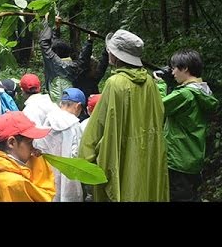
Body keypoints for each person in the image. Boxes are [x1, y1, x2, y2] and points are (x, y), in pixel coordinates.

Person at [79, 29, 169, 202]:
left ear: (116, 56)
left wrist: (86, 160)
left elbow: (98, 125)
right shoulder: (150, 82)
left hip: (121, 156)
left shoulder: (115, 83)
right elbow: (159, 116)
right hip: (148, 156)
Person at [153, 49, 219, 201]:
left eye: (175, 68)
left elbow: (157, 108)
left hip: (177, 160)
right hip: (193, 159)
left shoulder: (185, 94)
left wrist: (161, 85)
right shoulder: (204, 92)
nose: (173, 72)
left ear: (185, 68)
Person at [34, 88, 85, 202]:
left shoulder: (47, 120)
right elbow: (77, 153)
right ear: (78, 106)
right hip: (68, 177)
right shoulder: (74, 125)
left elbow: (38, 147)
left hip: (47, 175)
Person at [39, 18, 93, 103]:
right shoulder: (76, 66)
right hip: (72, 107)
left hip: (54, 108)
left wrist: (48, 21)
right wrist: (90, 41)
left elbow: (44, 44)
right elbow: (84, 59)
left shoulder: (52, 63)